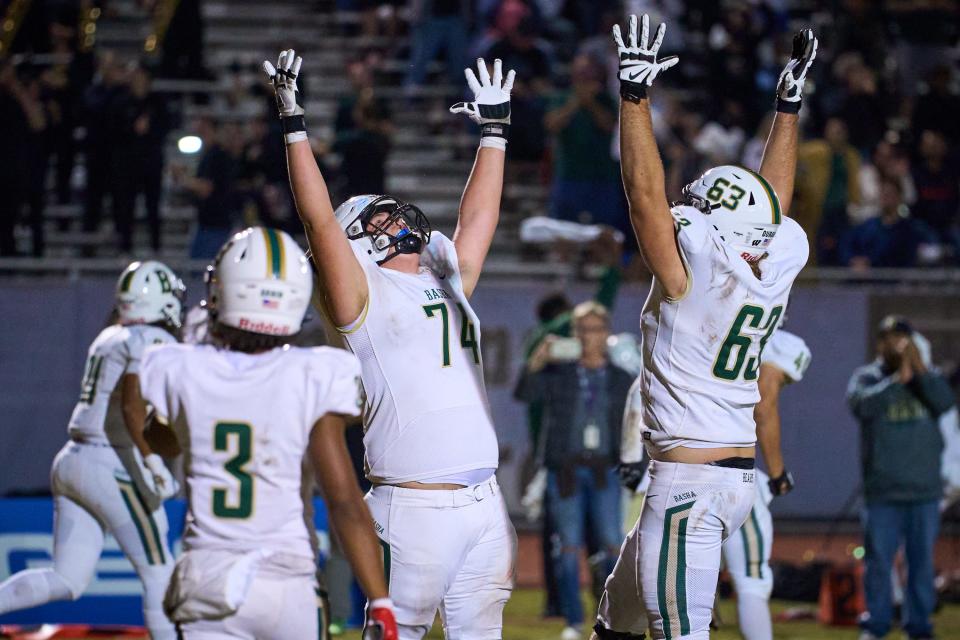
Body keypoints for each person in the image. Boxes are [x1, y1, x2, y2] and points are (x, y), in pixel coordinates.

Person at [263, 50, 517, 638]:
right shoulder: (359, 293)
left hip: (484, 499)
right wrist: (294, 125)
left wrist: (495, 132)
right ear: (352, 247)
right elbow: (319, 221)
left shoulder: (441, 276)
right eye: (375, 220)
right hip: (412, 508)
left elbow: (478, 221)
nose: (393, 218)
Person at [591, 17, 814, 640]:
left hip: (687, 485)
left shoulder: (691, 268)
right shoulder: (772, 260)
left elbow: (642, 194)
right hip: (729, 475)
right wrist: (788, 107)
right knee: (617, 620)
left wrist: (634, 97)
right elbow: (772, 202)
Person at [139, 227, 397, 639]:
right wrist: (380, 602)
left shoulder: (181, 366)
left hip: (208, 577)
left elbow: (157, 438)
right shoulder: (312, 373)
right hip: (288, 582)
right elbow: (344, 500)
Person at [0, 260, 186, 639]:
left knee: (67, 579)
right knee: (159, 571)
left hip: (72, 459)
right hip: (112, 460)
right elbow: (132, 405)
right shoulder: (151, 338)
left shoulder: (109, 336)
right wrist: (152, 461)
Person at [517, 302, 633, 639]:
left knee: (612, 545)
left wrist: (633, 467)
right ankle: (573, 621)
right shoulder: (559, 372)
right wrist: (538, 359)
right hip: (565, 470)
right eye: (582, 330)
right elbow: (525, 394)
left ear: (606, 334)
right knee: (567, 547)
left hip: (605, 471)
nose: (588, 337)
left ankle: (612, 617)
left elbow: (632, 426)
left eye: (595, 329)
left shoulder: (619, 377)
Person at [847, 316, 956, 640]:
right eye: (890, 339)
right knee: (879, 564)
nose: (897, 345)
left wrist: (918, 373)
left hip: (924, 491)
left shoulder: (928, 378)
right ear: (880, 344)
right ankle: (876, 625)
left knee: (921, 565)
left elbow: (945, 402)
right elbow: (861, 407)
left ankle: (919, 626)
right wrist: (897, 380)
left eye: (902, 338)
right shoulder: (867, 377)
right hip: (883, 492)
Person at [720, 326, 811, 640]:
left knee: (676, 577)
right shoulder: (780, 340)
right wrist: (777, 473)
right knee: (752, 580)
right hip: (733, 469)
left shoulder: (701, 318)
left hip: (680, 464)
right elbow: (764, 405)